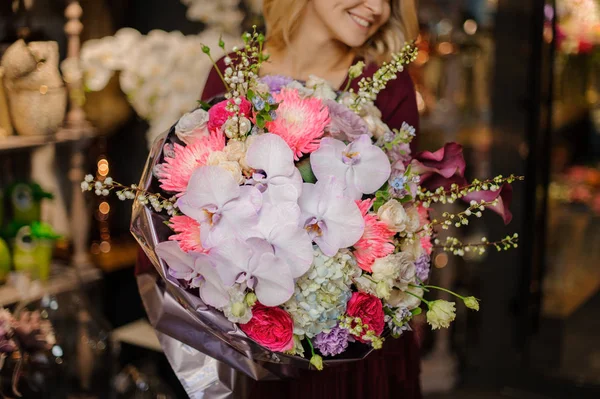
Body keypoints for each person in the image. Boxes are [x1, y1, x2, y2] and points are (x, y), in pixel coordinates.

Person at [137, 0, 422, 397]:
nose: (375, 7)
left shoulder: (388, 85)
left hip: (352, 357)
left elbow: (404, 225)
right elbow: (186, 201)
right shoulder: (234, 68)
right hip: (255, 356)